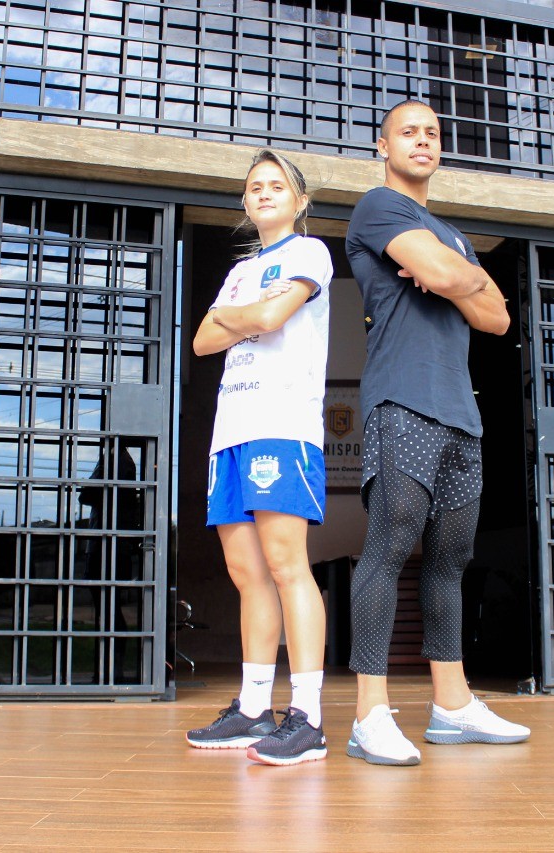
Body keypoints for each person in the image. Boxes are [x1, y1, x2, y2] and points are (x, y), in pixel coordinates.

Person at [344, 100, 530, 766]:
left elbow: (498, 319)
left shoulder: (451, 235)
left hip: (460, 412)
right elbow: (461, 285)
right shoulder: (377, 207)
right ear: (383, 144)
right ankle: (370, 713)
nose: (422, 141)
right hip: (402, 400)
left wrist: (455, 274)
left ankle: (452, 706)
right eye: (408, 132)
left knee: (450, 561)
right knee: (391, 544)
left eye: (432, 134)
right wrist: (459, 280)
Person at [186, 149, 332, 766]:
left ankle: (308, 717)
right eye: (255, 187)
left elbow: (272, 317)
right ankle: (253, 709)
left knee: (286, 564)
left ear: (298, 201)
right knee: (246, 573)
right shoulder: (241, 270)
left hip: (282, 425)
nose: (265, 193)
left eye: (277, 185)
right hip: (231, 433)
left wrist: (236, 319)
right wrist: (243, 317)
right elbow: (201, 340)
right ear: (245, 203)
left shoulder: (308, 253)